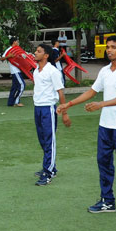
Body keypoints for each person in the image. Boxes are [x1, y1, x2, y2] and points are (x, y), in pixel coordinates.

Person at [57, 35, 116, 217]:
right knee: (103, 163)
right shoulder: (104, 71)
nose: (109, 50)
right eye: (107, 47)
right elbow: (91, 91)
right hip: (105, 126)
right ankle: (107, 200)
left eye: (113, 47)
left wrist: (100, 105)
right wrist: (69, 104)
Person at [32, 44, 70, 186]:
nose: (35, 52)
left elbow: (60, 92)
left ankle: (48, 173)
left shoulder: (52, 71)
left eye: (39, 51)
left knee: (49, 140)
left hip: (48, 109)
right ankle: (50, 167)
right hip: (38, 108)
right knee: (42, 140)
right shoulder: (37, 70)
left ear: (46, 55)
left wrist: (64, 112)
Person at [2, 37, 25, 107]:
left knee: (14, 87)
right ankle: (16, 101)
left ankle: (10, 102)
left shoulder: (18, 49)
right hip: (15, 71)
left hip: (18, 70)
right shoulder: (9, 50)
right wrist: (8, 56)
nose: (18, 42)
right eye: (17, 41)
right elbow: (2, 58)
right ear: (14, 42)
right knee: (22, 85)